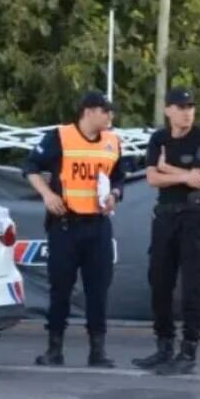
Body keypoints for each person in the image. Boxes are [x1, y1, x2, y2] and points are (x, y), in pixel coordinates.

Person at [22, 91, 125, 367]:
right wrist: (47, 194)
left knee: (98, 290)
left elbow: (119, 176)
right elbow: (30, 167)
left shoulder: (113, 142)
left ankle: (98, 350)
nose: (110, 117)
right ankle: (54, 349)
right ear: (88, 112)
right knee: (60, 290)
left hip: (98, 225)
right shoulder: (60, 137)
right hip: (66, 225)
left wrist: (114, 194)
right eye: (106, 111)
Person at [134, 87, 200, 376]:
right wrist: (179, 174)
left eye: (191, 106)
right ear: (168, 110)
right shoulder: (159, 138)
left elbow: (199, 178)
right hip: (166, 218)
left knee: (193, 284)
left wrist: (167, 167)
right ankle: (164, 345)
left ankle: (189, 348)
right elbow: (152, 178)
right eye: (181, 107)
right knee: (159, 281)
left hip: (193, 219)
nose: (187, 112)